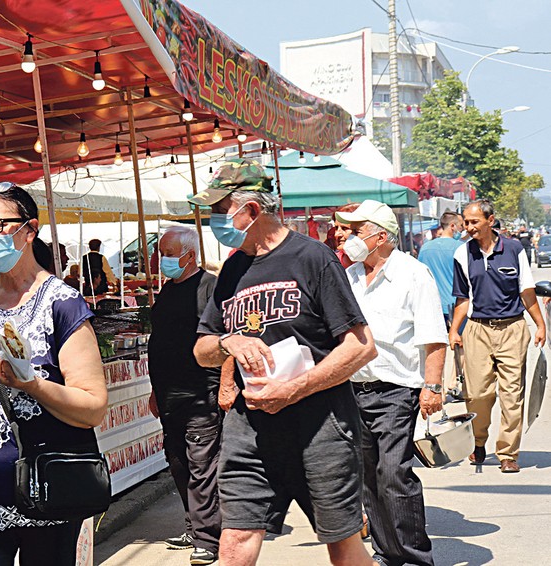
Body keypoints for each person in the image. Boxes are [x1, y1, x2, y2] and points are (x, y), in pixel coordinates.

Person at [189, 158, 377, 566]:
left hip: (321, 428)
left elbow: (360, 346)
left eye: (220, 210)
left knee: (343, 546)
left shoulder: (313, 258)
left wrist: (292, 389)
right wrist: (228, 341)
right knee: (235, 539)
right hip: (249, 430)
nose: (213, 221)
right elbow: (202, 350)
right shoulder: (231, 270)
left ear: (252, 209)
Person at [0, 182, 108, 566]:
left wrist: (32, 385)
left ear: (30, 229)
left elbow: (93, 407)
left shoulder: (62, 303)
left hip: (44, 482)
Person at [337, 200, 446, 566]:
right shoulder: (350, 276)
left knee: (394, 474)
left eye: (356, 231)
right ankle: (387, 552)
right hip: (354, 389)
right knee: (368, 475)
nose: (348, 237)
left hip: (396, 391)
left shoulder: (413, 274)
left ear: (380, 236)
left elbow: (434, 337)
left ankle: (414, 557)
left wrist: (433, 386)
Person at [451, 200, 546, 473]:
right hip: (477, 330)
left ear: (490, 220)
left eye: (474, 222)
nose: (469, 227)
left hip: (512, 329)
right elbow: (462, 298)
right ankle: (479, 441)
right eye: (466, 222)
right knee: (477, 394)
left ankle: (508, 453)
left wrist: (540, 324)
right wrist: (454, 330)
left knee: (512, 394)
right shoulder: (462, 253)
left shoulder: (514, 249)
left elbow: (526, 291)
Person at [148, 225, 221, 565]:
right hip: (168, 394)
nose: (161, 260)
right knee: (178, 462)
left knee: (202, 464)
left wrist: (226, 385)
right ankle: (194, 527)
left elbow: (223, 340)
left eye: (168, 254)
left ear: (189, 256)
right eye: (160, 253)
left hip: (201, 393)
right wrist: (154, 389)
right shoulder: (168, 289)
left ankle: (208, 538)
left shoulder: (209, 287)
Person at [418, 211, 465, 324]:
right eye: (460, 226)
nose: (462, 229)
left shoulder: (425, 248)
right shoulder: (461, 248)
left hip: (431, 306)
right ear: (452, 226)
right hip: (456, 306)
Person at [333, 203, 361, 269]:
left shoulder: (376, 265)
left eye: (344, 228)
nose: (336, 234)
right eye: (336, 228)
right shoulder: (332, 261)